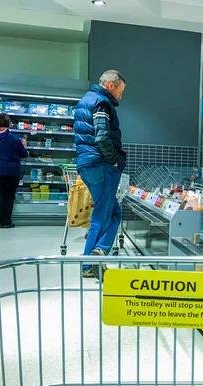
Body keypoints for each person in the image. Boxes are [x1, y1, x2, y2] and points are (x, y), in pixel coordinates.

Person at [74, 69, 127, 280]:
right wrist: (113, 160)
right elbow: (102, 136)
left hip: (88, 163)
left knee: (113, 213)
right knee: (101, 216)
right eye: (121, 91)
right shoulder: (101, 103)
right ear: (111, 86)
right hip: (101, 165)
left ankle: (99, 252)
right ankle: (89, 264)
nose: (120, 97)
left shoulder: (87, 99)